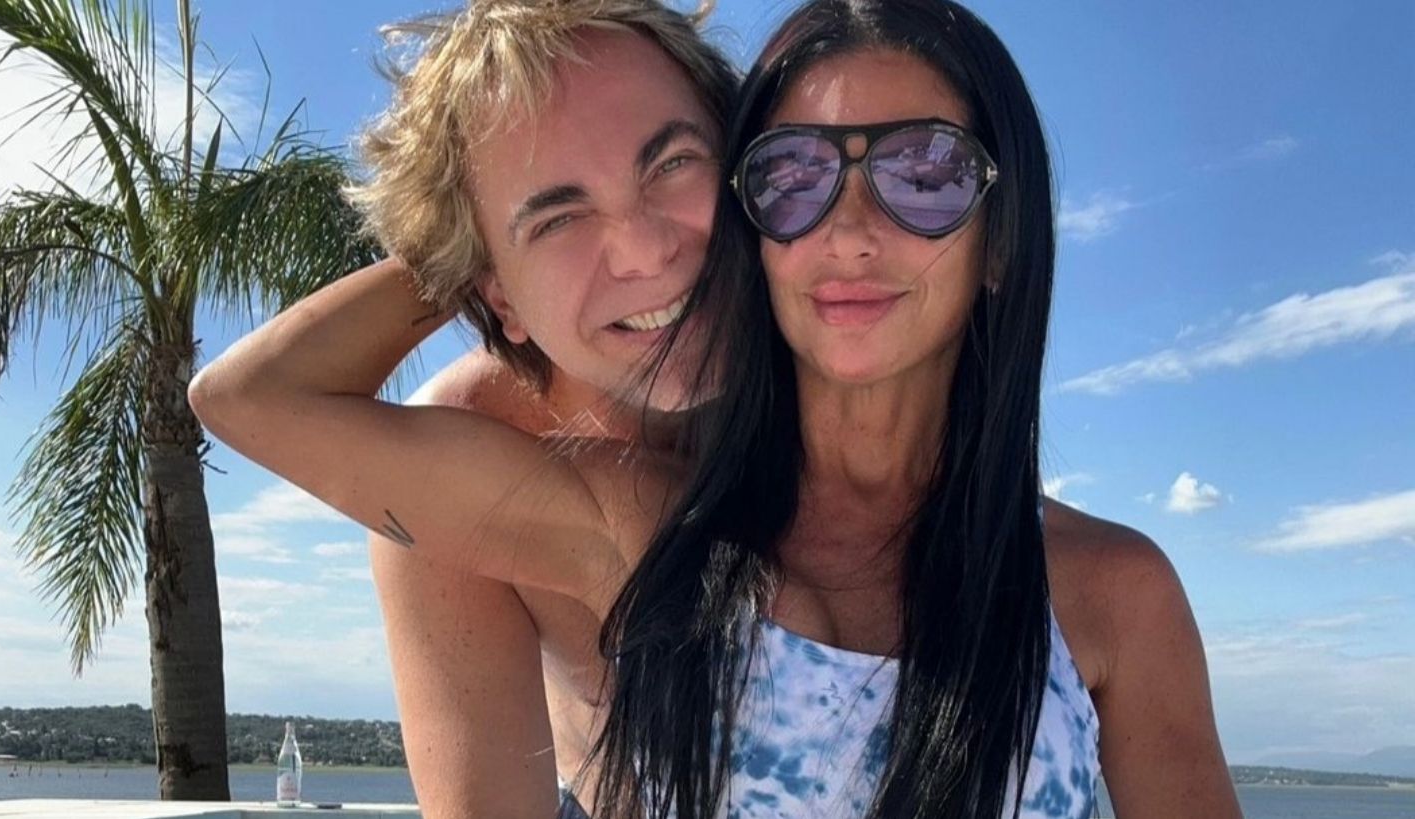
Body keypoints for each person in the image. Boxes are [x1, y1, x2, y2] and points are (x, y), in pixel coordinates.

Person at [190, 1, 1242, 818]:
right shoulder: (627, 520)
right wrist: (484, 238)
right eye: (800, 177)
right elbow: (250, 398)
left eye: (926, 174)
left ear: (1003, 236)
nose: (850, 229)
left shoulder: (1113, 590)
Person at [200, 2, 735, 816]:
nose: (645, 250)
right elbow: (245, 396)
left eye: (673, 164)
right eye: (558, 217)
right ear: (498, 297)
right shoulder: (470, 446)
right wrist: (470, 248)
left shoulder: (859, 351)